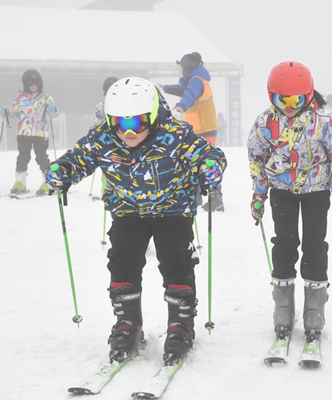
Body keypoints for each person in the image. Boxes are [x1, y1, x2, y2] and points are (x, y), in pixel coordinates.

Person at [44, 77, 226, 365]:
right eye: (119, 123)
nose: (128, 132)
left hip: (172, 210)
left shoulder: (174, 135)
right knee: (122, 261)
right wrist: (64, 169)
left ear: (153, 116)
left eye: (137, 123)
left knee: (176, 263)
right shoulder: (103, 137)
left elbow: (207, 152)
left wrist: (210, 166)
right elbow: (79, 157)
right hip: (127, 211)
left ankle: (180, 326)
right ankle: (128, 324)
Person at [247, 61, 332, 351]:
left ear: (308, 96)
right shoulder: (266, 123)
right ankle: (283, 303)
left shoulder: (324, 121)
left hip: (316, 191)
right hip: (282, 191)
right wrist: (259, 193)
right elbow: (256, 156)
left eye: (296, 100)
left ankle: (315, 306)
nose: (289, 106)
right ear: (272, 97)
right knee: (284, 243)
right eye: (283, 100)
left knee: (315, 244)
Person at [158, 52, 223, 212]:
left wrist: (180, 106)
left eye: (181, 65)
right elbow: (183, 89)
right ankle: (198, 198)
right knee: (196, 162)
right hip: (201, 128)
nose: (180, 68)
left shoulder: (196, 82)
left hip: (204, 129)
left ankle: (215, 200)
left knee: (207, 162)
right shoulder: (195, 80)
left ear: (186, 67)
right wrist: (165, 88)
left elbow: (189, 94)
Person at [2, 69, 58, 195]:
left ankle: (48, 181)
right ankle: (20, 182)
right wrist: (7, 112)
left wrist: (52, 110)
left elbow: (53, 113)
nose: (33, 85)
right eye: (30, 83)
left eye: (36, 82)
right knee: (23, 156)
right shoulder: (20, 98)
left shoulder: (46, 97)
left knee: (42, 157)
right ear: (25, 84)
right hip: (23, 133)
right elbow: (14, 112)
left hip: (40, 133)